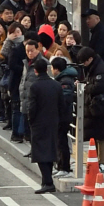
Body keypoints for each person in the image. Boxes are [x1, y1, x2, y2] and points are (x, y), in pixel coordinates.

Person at [28, 58, 66, 194]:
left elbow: (32, 107)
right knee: (50, 151)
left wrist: (30, 121)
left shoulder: (35, 86)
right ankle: (46, 180)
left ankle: (48, 182)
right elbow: (62, 105)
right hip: (53, 122)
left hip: (39, 123)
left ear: (36, 71)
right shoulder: (56, 85)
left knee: (39, 153)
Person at [77, 47, 104, 173]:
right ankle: (96, 160)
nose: (83, 64)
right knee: (96, 135)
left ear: (90, 59)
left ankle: (103, 162)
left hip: (101, 106)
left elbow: (98, 87)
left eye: (84, 61)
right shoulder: (93, 67)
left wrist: (84, 87)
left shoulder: (100, 70)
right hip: (95, 106)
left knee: (102, 136)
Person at [51, 57, 77, 178]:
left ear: (56, 69)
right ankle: (61, 165)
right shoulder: (62, 79)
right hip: (60, 115)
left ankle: (65, 167)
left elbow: (65, 99)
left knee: (62, 142)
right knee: (59, 141)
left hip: (63, 116)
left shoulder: (65, 81)